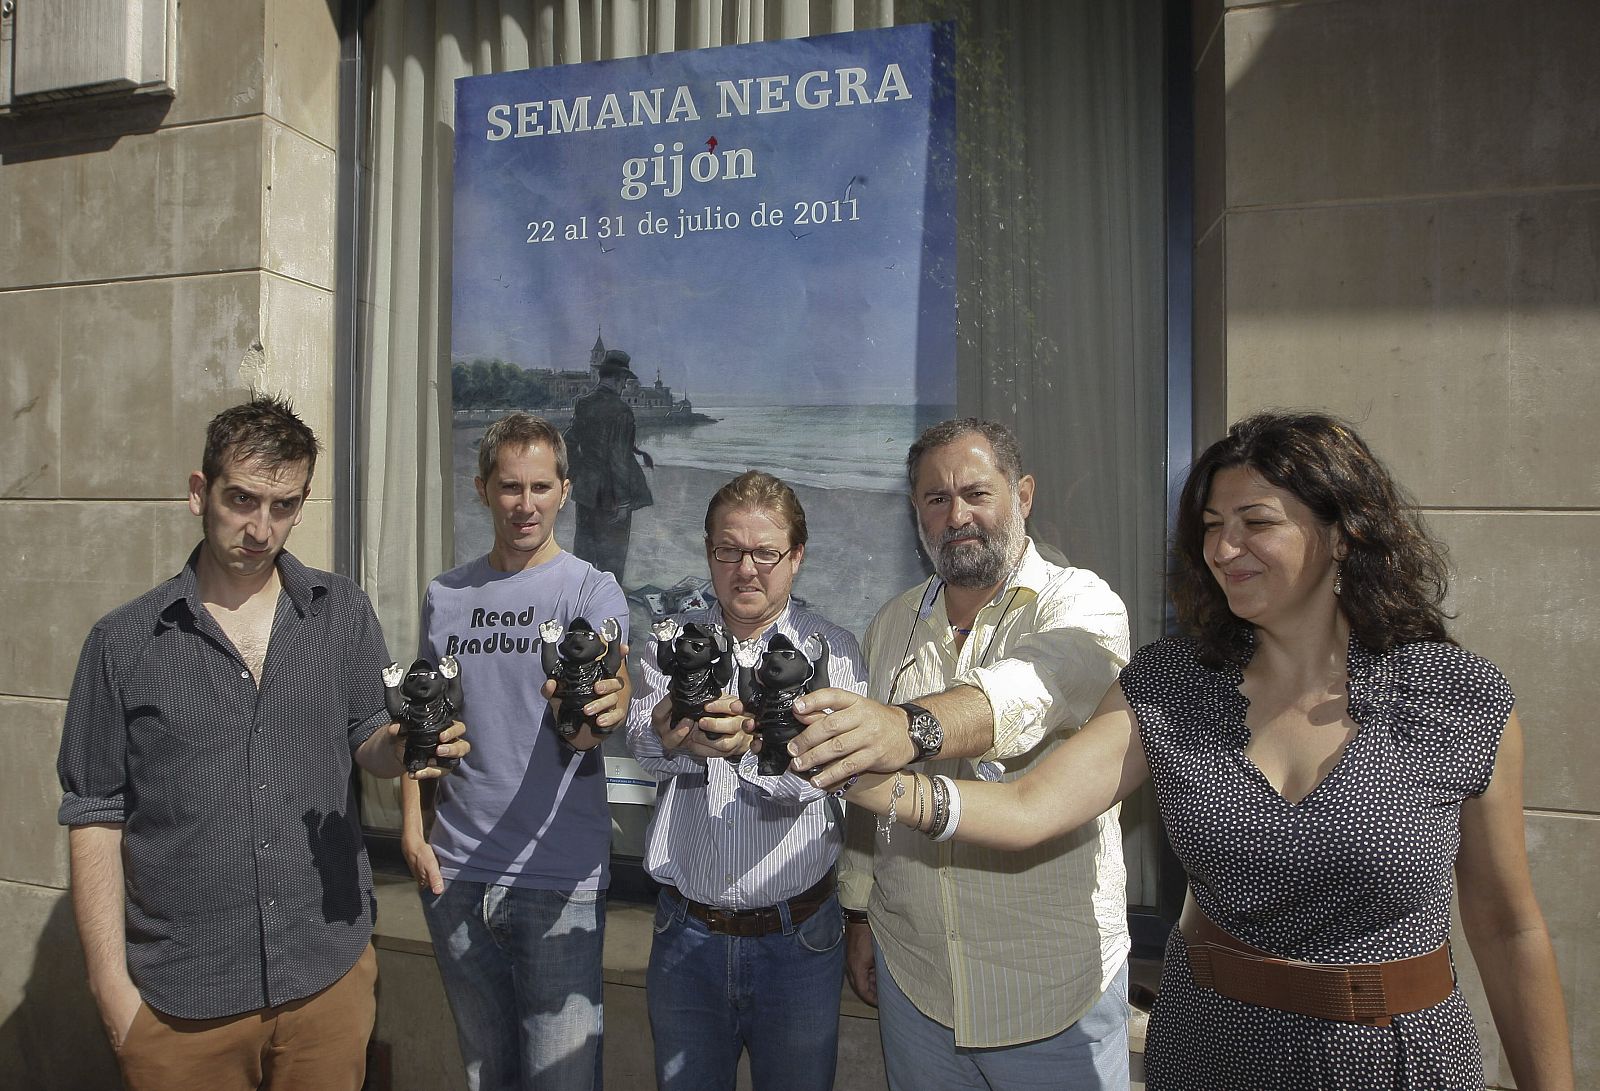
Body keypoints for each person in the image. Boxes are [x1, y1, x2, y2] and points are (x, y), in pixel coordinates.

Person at [810, 411, 1576, 1090]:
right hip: (1212, 1046)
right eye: (1211, 525)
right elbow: (1030, 805)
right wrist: (846, 765)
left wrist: (908, 729)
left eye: (1255, 521)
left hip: (1393, 1056)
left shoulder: (1455, 697)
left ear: (1343, 531)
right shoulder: (1177, 683)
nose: (1225, 546)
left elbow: (1510, 927)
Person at [56, 394, 467, 1091]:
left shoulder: (341, 611)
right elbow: (95, 812)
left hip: (325, 982)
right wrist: (110, 990)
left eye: (283, 505)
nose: (260, 527)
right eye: (242, 499)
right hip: (182, 1007)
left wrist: (405, 747)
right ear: (199, 492)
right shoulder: (122, 642)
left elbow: (367, 736)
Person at [790, 418, 1135, 1089]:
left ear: (1023, 494)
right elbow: (869, 796)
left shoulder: (1082, 606)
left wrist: (909, 728)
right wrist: (859, 912)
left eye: (977, 493)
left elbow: (1029, 691)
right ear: (916, 513)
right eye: (936, 499)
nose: (958, 515)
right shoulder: (892, 623)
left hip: (1053, 998)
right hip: (915, 986)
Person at [400, 412, 631, 1091]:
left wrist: (596, 714)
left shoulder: (591, 588)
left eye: (539, 486)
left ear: (565, 489)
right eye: (508, 487)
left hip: (559, 877)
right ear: (482, 490)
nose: (524, 504)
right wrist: (413, 830)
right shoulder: (446, 595)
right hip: (457, 874)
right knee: (487, 1075)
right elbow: (424, 718)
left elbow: (601, 700)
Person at [625, 471, 867, 1091]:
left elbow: (830, 777)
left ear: (798, 556)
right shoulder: (672, 640)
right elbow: (643, 742)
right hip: (686, 936)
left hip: (800, 943)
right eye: (728, 550)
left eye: (766, 552)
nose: (746, 569)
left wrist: (753, 747)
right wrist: (674, 735)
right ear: (709, 552)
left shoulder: (832, 653)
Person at [564, 348, 654, 584]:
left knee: (584, 553)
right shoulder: (621, 411)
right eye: (624, 380)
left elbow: (570, 441)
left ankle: (580, 605)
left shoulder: (583, 403)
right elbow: (619, 458)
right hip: (612, 497)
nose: (625, 386)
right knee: (612, 559)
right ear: (618, 378)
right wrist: (623, 501)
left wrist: (573, 475)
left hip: (585, 492)